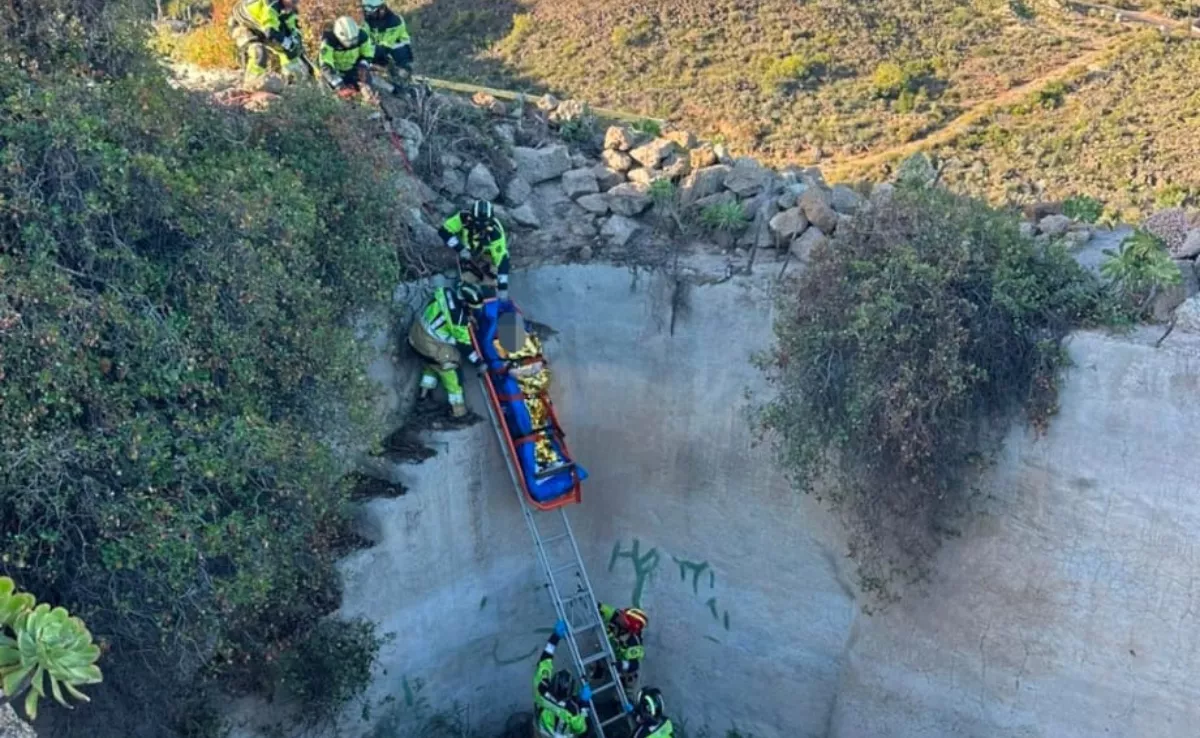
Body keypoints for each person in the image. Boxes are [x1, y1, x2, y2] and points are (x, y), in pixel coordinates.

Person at [407, 281, 484, 418]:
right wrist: (478, 363)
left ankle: (423, 398)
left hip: (416, 333)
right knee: (452, 365)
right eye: (472, 308)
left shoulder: (446, 291)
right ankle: (458, 411)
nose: (473, 311)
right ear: (465, 303)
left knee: (434, 363)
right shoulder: (458, 320)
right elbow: (465, 346)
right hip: (427, 344)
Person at [440, 200, 511, 301]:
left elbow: (502, 260)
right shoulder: (464, 218)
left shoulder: (496, 233)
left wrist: (503, 287)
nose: (481, 227)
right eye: (477, 223)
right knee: (467, 289)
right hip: (467, 253)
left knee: (489, 290)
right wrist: (460, 249)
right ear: (472, 217)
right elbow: (444, 231)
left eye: (485, 223)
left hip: (488, 255)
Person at [227, 0, 308, 89]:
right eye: (293, 1)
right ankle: (251, 84)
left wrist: (295, 46)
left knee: (290, 53)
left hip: (260, 25)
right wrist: (287, 43)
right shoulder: (270, 4)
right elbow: (270, 33)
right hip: (242, 23)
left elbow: (293, 32)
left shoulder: (291, 11)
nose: (296, 3)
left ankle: (290, 83)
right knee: (259, 52)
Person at [534, 619, 592, 737]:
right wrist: (584, 703)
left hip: (540, 733)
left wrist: (555, 638)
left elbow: (544, 662)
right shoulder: (572, 710)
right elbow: (581, 728)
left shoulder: (541, 689)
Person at [319, 16, 376, 101]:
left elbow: (368, 53)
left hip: (354, 68)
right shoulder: (329, 41)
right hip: (336, 72)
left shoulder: (362, 35)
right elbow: (326, 64)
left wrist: (363, 66)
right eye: (348, 41)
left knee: (367, 88)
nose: (352, 44)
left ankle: (372, 104)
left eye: (354, 40)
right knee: (336, 96)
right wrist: (339, 84)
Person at [596, 604, 647, 689]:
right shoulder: (617, 616)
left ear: (628, 626)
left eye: (624, 617)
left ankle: (623, 694)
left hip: (619, 662)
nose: (620, 616)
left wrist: (620, 665)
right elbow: (606, 610)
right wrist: (598, 606)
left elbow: (634, 665)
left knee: (629, 680)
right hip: (607, 651)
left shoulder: (634, 644)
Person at [361, 0, 413, 77]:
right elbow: (364, 37)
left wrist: (374, 50)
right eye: (366, 10)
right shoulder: (367, 21)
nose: (369, 14)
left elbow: (387, 44)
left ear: (382, 9)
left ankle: (404, 69)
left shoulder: (395, 21)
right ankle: (379, 69)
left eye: (371, 11)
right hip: (380, 48)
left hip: (397, 50)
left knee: (395, 48)